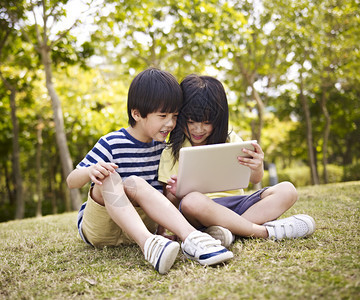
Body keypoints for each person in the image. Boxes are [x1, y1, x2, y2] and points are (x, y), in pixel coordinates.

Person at [67, 68, 233, 275]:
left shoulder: (166, 150)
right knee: (115, 179)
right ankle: (149, 246)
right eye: (163, 115)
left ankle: (194, 238)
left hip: (143, 225)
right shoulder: (111, 143)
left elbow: (164, 197)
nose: (171, 123)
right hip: (101, 229)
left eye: (175, 116)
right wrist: (92, 170)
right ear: (136, 113)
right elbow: (71, 181)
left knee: (140, 185)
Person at [158, 74, 315, 247]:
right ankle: (263, 232)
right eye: (191, 121)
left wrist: (257, 166)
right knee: (192, 201)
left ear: (219, 119)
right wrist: (176, 194)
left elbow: (255, 179)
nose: (198, 129)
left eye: (207, 122)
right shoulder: (171, 150)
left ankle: (225, 232)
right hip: (200, 212)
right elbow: (168, 203)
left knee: (288, 190)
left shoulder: (231, 140)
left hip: (238, 205)